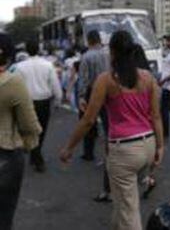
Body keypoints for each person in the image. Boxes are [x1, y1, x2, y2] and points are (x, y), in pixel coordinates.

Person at [60, 30, 164, 230]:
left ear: (113, 52)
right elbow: (156, 116)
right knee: (122, 203)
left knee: (128, 211)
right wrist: (160, 147)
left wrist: (69, 147)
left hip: (124, 150)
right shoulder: (147, 77)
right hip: (148, 145)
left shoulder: (106, 80)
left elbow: (89, 120)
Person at [0, 33, 42, 230]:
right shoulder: (12, 82)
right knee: (4, 216)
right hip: (6, 155)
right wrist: (29, 144)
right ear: (9, 56)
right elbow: (30, 125)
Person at [15, 41, 62, 173]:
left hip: (26, 101)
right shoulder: (47, 65)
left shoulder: (19, 67)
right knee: (41, 129)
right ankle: (38, 158)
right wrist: (58, 99)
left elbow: (17, 85)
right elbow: (55, 83)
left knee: (30, 129)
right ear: (39, 49)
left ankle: (34, 154)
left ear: (26, 50)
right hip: (44, 101)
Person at [78, 30, 110, 161]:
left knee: (88, 121)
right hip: (108, 90)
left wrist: (81, 96)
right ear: (99, 40)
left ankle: (88, 153)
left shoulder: (86, 56)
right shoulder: (108, 54)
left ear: (89, 41)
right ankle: (111, 152)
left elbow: (83, 79)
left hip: (92, 92)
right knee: (108, 122)